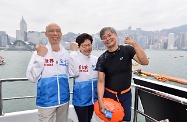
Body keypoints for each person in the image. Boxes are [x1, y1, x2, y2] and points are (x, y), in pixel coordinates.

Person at [95, 27, 149, 122]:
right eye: (104, 37)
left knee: (125, 120)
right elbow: (100, 81)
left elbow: (144, 62)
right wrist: (100, 102)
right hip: (109, 95)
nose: (107, 39)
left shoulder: (127, 50)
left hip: (125, 95)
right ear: (102, 41)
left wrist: (134, 43)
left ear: (116, 35)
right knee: (111, 120)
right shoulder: (102, 59)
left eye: (109, 35)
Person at [26, 23, 70, 122]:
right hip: (46, 101)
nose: (55, 33)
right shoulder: (39, 53)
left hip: (64, 100)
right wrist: (40, 57)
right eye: (51, 31)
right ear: (46, 34)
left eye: (58, 31)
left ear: (61, 34)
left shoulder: (66, 54)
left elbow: (72, 73)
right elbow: (31, 77)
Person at [69, 33, 98, 122]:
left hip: (93, 99)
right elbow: (73, 73)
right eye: (84, 46)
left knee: (88, 119)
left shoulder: (95, 59)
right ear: (79, 47)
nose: (87, 48)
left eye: (89, 45)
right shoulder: (75, 58)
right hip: (81, 100)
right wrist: (73, 52)